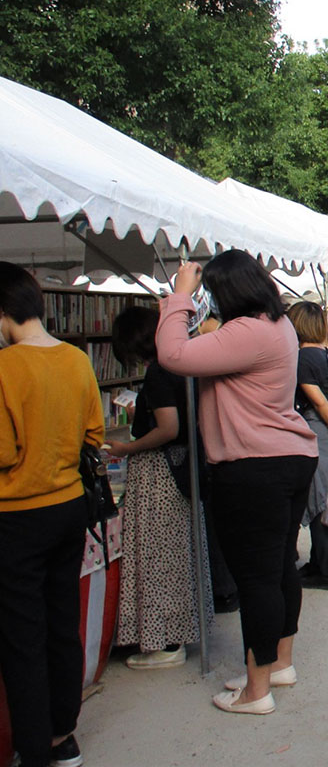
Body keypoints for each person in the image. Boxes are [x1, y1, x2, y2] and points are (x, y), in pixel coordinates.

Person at [157, 252, 318, 716]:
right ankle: (278, 665)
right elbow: (211, 343)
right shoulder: (277, 325)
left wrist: (180, 296)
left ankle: (256, 689)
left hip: (253, 466)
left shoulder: (246, 332)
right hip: (289, 457)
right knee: (280, 567)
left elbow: (172, 355)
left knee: (256, 580)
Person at [0, 262, 103, 767]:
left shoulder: (4, 368)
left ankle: (33, 746)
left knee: (21, 634)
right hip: (69, 505)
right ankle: (64, 735)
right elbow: (94, 435)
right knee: (63, 623)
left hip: (17, 513)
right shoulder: (77, 361)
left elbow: (2, 451)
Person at [108, 306, 213, 670]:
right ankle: (178, 633)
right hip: (184, 467)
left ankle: (164, 642)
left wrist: (126, 448)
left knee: (156, 558)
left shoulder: (157, 373)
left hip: (160, 472)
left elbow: (167, 427)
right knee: (178, 555)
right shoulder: (183, 365)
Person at [286, 302, 328, 592]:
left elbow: (317, 401)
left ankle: (327, 570)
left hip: (316, 429)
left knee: (316, 502)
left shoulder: (300, 359)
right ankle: (320, 563)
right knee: (323, 497)